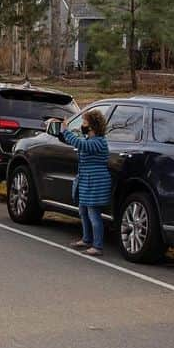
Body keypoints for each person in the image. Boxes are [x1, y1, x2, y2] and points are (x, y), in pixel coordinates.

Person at [59, 107, 111, 256]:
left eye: (85, 122)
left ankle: (98, 245)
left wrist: (65, 130)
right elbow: (79, 142)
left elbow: (80, 144)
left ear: (92, 125)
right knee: (83, 211)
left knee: (94, 213)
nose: (83, 124)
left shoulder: (99, 142)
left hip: (96, 181)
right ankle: (86, 239)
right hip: (87, 180)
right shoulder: (90, 139)